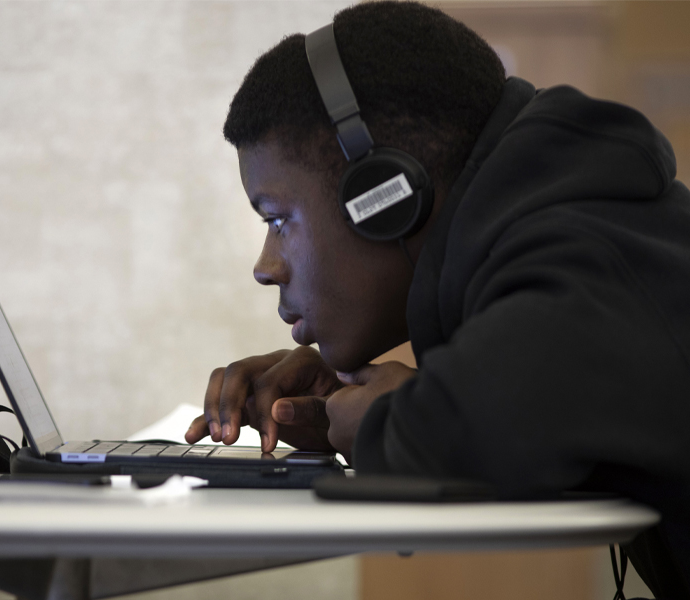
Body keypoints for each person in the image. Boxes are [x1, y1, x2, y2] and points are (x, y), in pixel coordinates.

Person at [183, 1, 690, 596]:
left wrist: (383, 420)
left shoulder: (586, 249)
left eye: (278, 220)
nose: (266, 268)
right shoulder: (565, 232)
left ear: (382, 195)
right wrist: (348, 409)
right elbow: (539, 407)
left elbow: (475, 427)